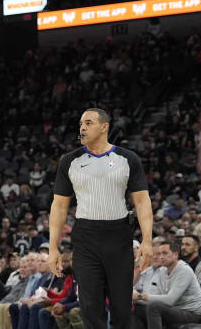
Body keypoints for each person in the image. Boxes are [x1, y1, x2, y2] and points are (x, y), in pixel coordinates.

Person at [49, 108, 154, 329]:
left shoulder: (128, 158)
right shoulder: (70, 161)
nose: (82, 128)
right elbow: (59, 206)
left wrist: (147, 240)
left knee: (121, 307)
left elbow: (142, 202)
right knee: (89, 306)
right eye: (80, 124)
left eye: (88, 123)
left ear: (104, 127)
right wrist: (53, 247)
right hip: (85, 237)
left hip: (119, 236)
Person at [132, 240, 201, 328]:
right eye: (159, 254)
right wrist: (134, 299)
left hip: (192, 313)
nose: (161, 257)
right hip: (175, 309)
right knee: (137, 308)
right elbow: (157, 295)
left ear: (175, 254)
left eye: (164, 253)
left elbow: (170, 300)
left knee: (154, 307)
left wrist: (139, 296)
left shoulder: (183, 270)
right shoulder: (163, 270)